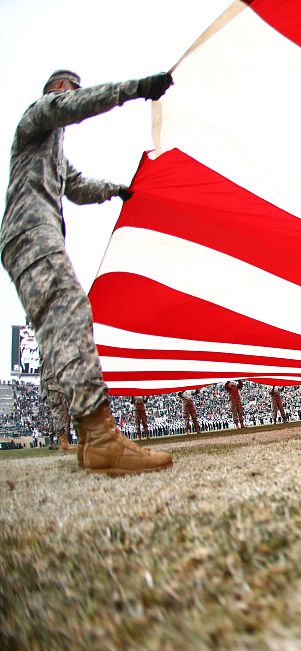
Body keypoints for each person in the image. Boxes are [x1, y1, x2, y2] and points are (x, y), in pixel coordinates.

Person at [1, 69, 173, 475]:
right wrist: (137, 89)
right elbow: (73, 107)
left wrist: (116, 190)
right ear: (61, 89)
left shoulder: (53, 156)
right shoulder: (38, 116)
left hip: (29, 238)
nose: (74, 96)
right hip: (31, 234)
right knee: (71, 313)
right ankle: (100, 437)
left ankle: (88, 438)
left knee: (61, 328)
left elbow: (76, 188)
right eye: (72, 90)